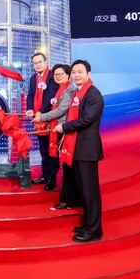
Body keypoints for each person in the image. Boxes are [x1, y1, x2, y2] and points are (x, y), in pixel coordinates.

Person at [53, 59, 104, 243]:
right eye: (74, 72)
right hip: (76, 147)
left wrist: (64, 127)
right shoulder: (78, 92)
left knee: (90, 192)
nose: (76, 75)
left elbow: (87, 119)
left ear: (88, 73)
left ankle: (94, 230)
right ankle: (87, 224)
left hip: (87, 149)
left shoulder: (93, 94)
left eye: (80, 72)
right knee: (83, 190)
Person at [32, 63, 80, 210]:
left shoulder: (69, 89)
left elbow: (61, 110)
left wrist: (42, 117)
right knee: (51, 155)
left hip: (64, 129)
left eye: (61, 74)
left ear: (68, 75)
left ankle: (69, 196)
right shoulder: (59, 88)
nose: (58, 77)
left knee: (66, 164)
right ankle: (62, 191)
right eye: (56, 75)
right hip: (55, 127)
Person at [26, 52, 59, 190]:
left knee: (52, 150)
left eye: (40, 62)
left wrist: (41, 112)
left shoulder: (52, 76)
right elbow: (30, 95)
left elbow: (51, 96)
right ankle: (45, 175)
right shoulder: (33, 78)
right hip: (38, 120)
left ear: (46, 62)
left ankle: (52, 179)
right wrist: (30, 109)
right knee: (43, 150)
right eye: (35, 63)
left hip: (51, 118)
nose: (38, 65)